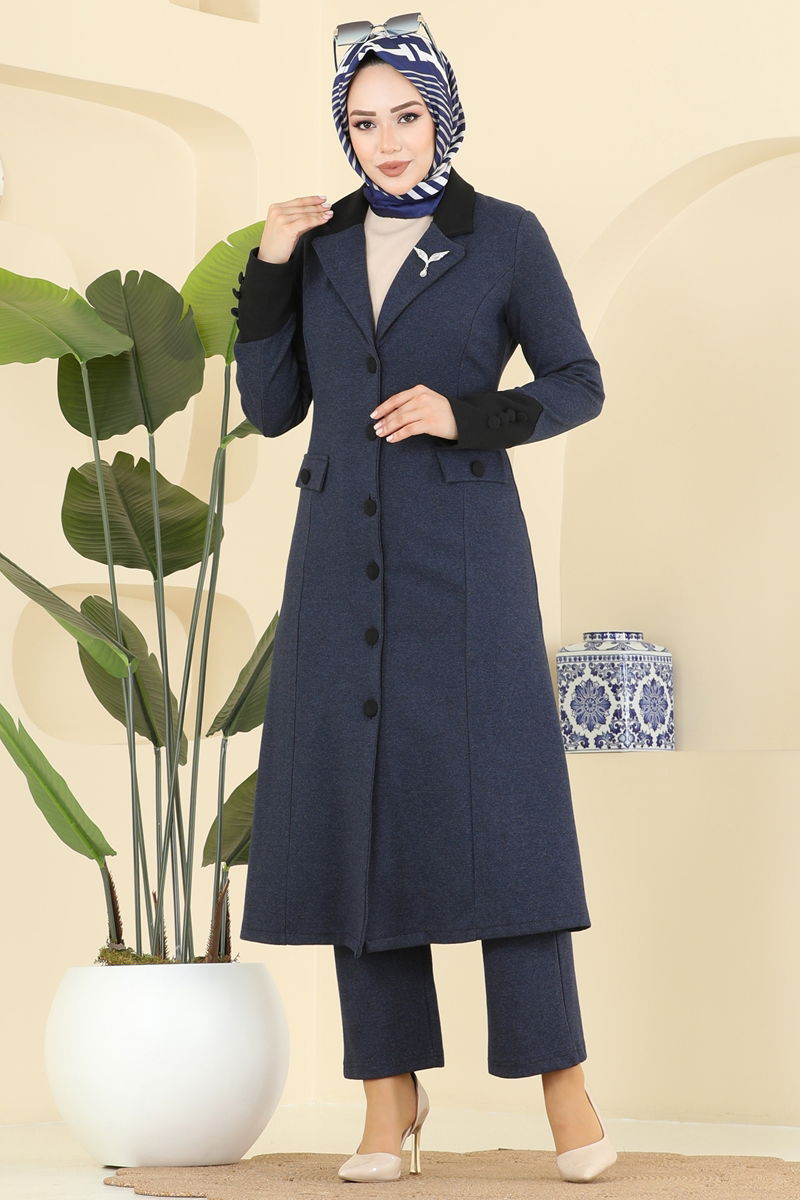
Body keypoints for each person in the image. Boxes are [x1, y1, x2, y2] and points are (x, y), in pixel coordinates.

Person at [231, 15, 618, 1186]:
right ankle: (386, 1101)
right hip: (334, 560)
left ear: (440, 115)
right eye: (363, 122)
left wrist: (465, 413)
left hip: (465, 559)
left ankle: (564, 1090)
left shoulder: (502, 236)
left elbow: (576, 382)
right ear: (343, 132)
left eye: (405, 115)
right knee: (360, 822)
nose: (387, 140)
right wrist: (268, 268)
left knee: (506, 818)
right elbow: (271, 409)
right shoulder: (317, 244)